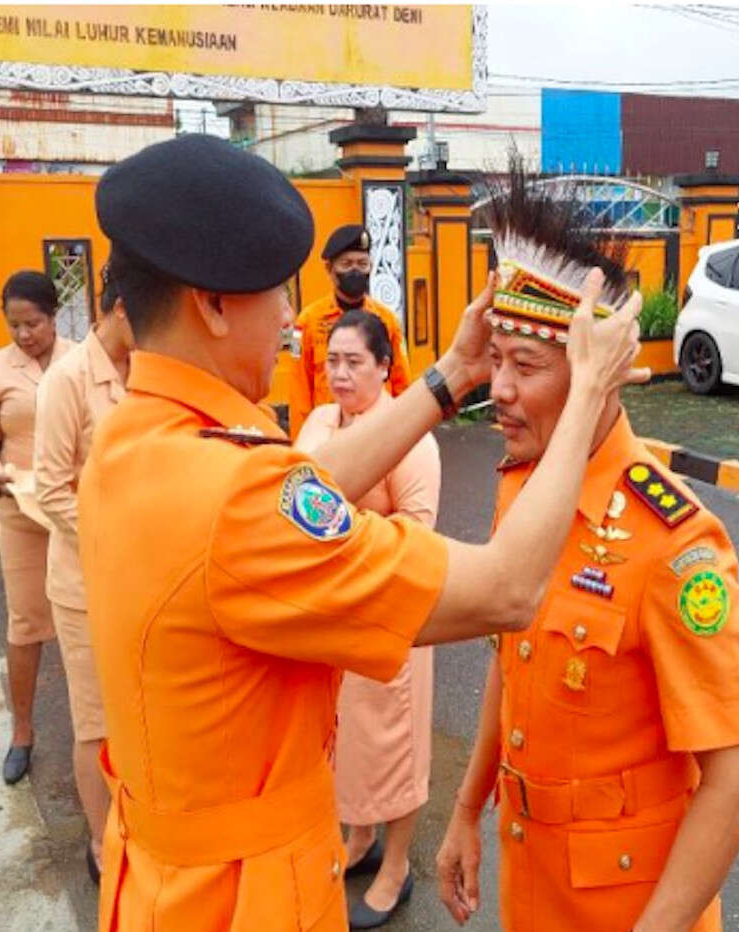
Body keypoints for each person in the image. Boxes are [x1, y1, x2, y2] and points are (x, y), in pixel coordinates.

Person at [78, 133, 646, 931]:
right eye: (275, 295)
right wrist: (588, 386)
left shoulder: (132, 438)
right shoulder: (232, 499)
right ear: (209, 303)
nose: (288, 319)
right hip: (242, 901)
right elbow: (508, 588)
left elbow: (294, 488)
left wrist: (450, 377)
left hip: (161, 882)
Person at [435, 169, 739, 932]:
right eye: (499, 362)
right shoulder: (524, 487)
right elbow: (506, 658)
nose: (501, 391)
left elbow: (738, 778)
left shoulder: (676, 543)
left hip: (630, 907)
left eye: (528, 367)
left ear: (596, 378)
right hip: (533, 881)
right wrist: (466, 809)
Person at [294, 311, 441, 929]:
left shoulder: (410, 436)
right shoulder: (318, 423)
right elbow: (287, 498)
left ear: (386, 366)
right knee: (344, 742)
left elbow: (418, 528)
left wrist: (337, 531)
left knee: (392, 743)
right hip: (331, 619)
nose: (341, 374)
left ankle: (398, 864)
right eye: (332, 361)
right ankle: (359, 839)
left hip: (388, 611)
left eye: (355, 362)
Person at [33, 273, 136, 882]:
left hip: (136, 579)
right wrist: (114, 541)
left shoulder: (141, 369)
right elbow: (49, 489)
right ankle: (102, 843)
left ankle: (133, 825)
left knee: (133, 714)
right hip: (84, 586)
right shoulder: (66, 382)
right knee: (95, 721)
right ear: (120, 308)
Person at [0, 270, 74, 784]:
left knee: (90, 623)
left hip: (76, 512)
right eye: (15, 326)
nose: (25, 335)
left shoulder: (83, 360)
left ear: (54, 317)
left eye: (33, 323)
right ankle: (22, 731)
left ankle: (97, 730)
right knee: (26, 625)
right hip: (21, 513)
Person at [287, 224, 411, 438]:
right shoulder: (308, 322)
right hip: (330, 434)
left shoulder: (387, 321)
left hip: (379, 432)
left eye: (362, 264)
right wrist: (303, 444)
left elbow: (402, 383)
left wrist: (406, 434)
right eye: (347, 264)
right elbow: (299, 389)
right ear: (330, 269)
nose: (355, 271)